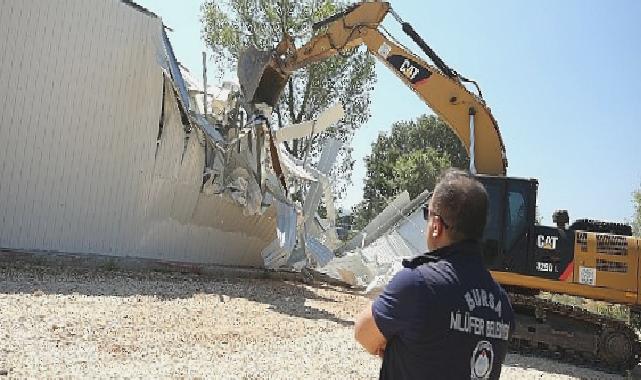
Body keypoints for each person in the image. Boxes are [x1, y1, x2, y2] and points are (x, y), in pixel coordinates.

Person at [354, 169, 515, 380]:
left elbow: (363, 333)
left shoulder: (417, 284)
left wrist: (400, 350)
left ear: (437, 226)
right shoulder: (502, 304)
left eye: (427, 215)